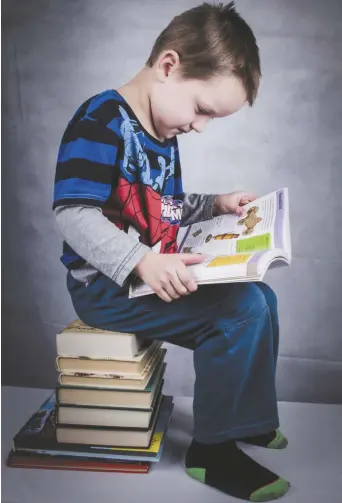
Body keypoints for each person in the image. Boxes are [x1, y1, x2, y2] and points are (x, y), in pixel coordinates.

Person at [53, 2, 290, 501]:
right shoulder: (100, 121)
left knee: (259, 297)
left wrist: (215, 205)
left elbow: (167, 207)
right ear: (168, 66)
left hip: (145, 275)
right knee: (239, 312)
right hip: (106, 288)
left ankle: (248, 419)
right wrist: (139, 259)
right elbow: (73, 214)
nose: (201, 126)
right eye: (202, 109)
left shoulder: (162, 133)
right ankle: (213, 450)